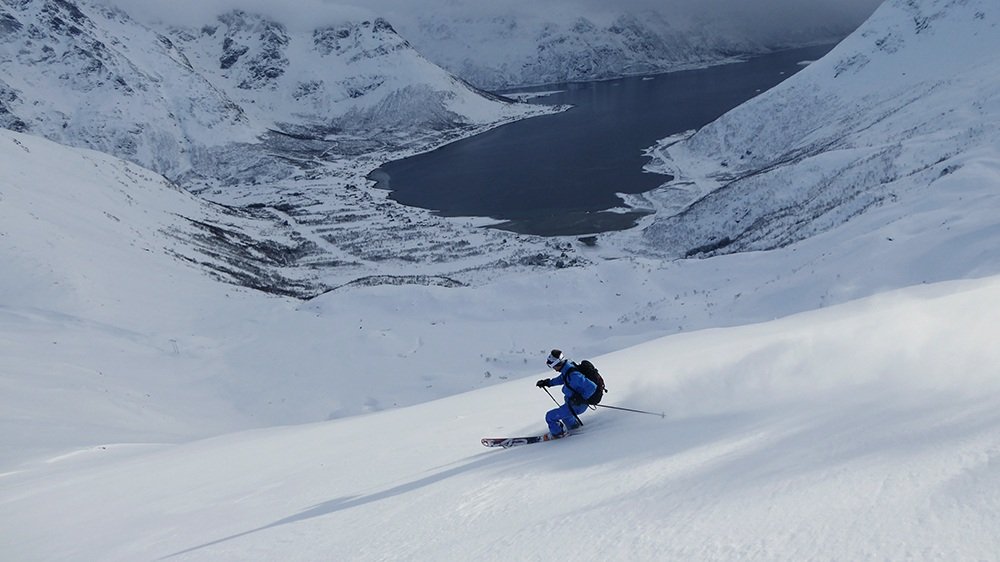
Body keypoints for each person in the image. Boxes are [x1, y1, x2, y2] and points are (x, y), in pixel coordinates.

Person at [536, 349, 598, 437]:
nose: (552, 368)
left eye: (552, 365)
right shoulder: (567, 369)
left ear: (558, 363)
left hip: (577, 405)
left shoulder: (574, 375)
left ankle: (558, 434)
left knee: (550, 416)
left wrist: (581, 398)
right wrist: (548, 383)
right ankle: (574, 427)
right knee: (566, 417)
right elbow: (562, 378)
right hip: (571, 403)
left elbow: (592, 387)